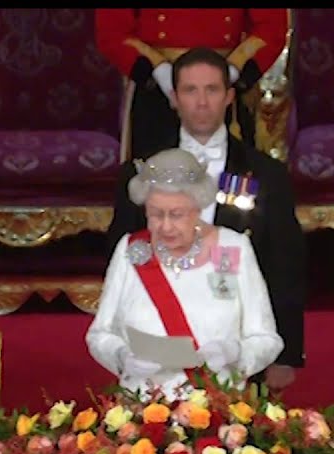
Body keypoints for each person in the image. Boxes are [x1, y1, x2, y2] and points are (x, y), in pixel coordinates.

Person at [107, 47, 305, 392]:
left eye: (212, 90)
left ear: (229, 97)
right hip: (156, 351)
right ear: (174, 98)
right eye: (190, 90)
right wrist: (123, 351)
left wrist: (287, 353)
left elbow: (286, 264)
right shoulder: (139, 170)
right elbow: (122, 257)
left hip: (233, 349)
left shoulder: (266, 174)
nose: (201, 102)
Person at [88, 148, 283, 400]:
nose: (165, 226)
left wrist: (234, 352)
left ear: (198, 209)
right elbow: (99, 334)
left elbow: (267, 339)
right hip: (142, 413)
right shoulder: (131, 250)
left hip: (217, 409)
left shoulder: (231, 249)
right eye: (156, 214)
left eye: (177, 215)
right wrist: (121, 356)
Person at [95, 9, 289, 162]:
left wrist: (229, 73)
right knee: (152, 187)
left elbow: (270, 28)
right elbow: (113, 29)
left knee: (232, 192)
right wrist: (161, 72)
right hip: (156, 91)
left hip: (227, 90)